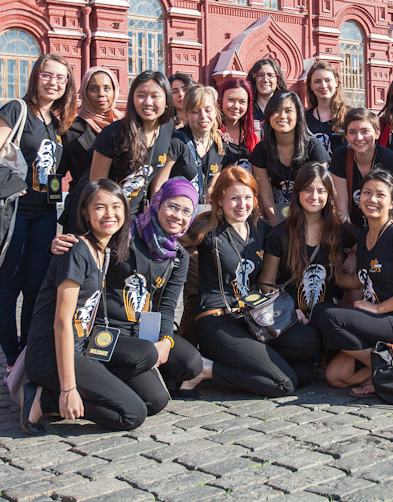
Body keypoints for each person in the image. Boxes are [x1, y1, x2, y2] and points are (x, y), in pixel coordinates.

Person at [50, 179, 210, 405]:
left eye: (186, 211)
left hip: (142, 330)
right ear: (157, 203)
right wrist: (60, 244)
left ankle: (132, 373)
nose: (178, 216)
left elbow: (166, 305)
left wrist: (165, 340)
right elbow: (88, 244)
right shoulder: (123, 235)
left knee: (190, 363)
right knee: (154, 397)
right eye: (172, 206)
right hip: (106, 328)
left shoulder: (178, 256)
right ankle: (100, 379)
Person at [20, 180, 159, 434]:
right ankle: (43, 399)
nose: (110, 214)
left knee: (147, 354)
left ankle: (97, 384)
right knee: (132, 414)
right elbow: (62, 323)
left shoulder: (104, 251)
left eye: (116, 206)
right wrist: (67, 389)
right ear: (84, 211)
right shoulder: (76, 252)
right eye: (100, 207)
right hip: (52, 355)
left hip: (84, 345)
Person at [0, 53, 77, 372]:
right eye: (48, 75)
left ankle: (26, 352)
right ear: (36, 76)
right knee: (8, 287)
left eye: (61, 78)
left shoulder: (59, 122)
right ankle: (11, 359)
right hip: (12, 211)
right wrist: (8, 187)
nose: (54, 83)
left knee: (36, 286)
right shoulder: (16, 110)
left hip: (45, 212)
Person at [187, 166, 320, 397]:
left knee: (307, 355)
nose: (242, 205)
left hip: (253, 318)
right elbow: (171, 235)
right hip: (218, 321)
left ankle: (250, 363)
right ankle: (206, 370)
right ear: (219, 199)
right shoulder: (205, 228)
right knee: (285, 383)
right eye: (234, 198)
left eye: (248, 197)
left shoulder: (260, 229)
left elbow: (300, 231)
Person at [314, 169, 393, 397]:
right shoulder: (365, 238)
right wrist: (326, 275)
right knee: (336, 376)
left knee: (327, 316)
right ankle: (380, 373)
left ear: (392, 202)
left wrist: (378, 308)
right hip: (380, 322)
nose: (372, 199)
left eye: (380, 194)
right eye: (367, 192)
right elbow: (362, 281)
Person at [261, 162, 353, 324]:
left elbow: (372, 246)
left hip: (327, 316)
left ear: (329, 195)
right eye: (308, 189)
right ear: (297, 192)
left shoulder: (339, 230)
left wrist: (353, 256)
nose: (314, 196)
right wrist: (286, 309)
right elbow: (266, 283)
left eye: (321, 190)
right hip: (291, 316)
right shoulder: (280, 234)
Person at [91, 71, 178, 220]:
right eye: (141, 95)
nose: (147, 102)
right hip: (110, 218)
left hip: (140, 217)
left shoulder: (167, 127)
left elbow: (158, 183)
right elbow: (97, 187)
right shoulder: (112, 134)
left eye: (155, 96)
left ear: (167, 101)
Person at [58, 67, 122, 234]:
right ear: (84, 93)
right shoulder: (70, 129)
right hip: (83, 209)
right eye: (93, 88)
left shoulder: (127, 126)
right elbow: (56, 173)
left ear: (115, 91)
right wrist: (48, 203)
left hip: (120, 210)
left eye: (107, 88)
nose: (101, 94)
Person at [251, 91, 329, 225]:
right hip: (275, 215)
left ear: (298, 115)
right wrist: (279, 229)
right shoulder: (261, 150)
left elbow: (321, 191)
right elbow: (267, 197)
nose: (282, 116)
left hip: (310, 214)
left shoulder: (314, 147)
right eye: (276, 111)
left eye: (288, 111)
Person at [330, 108, 393, 228]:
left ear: (377, 134)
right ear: (347, 136)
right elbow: (342, 206)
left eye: (365, 131)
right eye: (352, 132)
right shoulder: (341, 156)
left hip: (382, 225)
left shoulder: (389, 159)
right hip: (352, 224)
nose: (359, 138)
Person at [169, 86, 227, 204]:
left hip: (204, 216)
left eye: (208, 110)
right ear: (186, 115)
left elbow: (214, 179)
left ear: (215, 111)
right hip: (178, 214)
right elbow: (159, 184)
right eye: (195, 111)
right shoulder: (177, 142)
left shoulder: (220, 144)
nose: (203, 116)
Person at [304, 61, 347, 160]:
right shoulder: (302, 118)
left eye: (328, 80)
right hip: (313, 174)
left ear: (336, 82)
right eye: (317, 81)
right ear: (310, 85)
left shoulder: (350, 116)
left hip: (342, 175)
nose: (323, 86)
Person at [218, 77, 258, 173]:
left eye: (242, 101)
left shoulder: (256, 132)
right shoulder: (213, 133)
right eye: (231, 99)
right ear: (221, 100)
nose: (236, 106)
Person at [246, 58, 287, 128]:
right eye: (260, 75)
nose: (265, 79)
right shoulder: (246, 110)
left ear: (277, 81)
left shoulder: (286, 109)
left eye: (270, 75)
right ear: (254, 80)